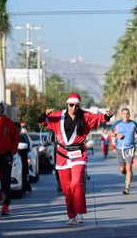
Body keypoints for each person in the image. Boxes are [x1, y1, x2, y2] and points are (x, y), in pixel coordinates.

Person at [38, 93, 114, 225]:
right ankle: (71, 216)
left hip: (78, 154)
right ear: (67, 105)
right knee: (67, 189)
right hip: (62, 155)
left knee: (76, 183)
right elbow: (42, 121)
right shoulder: (58, 115)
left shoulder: (86, 116)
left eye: (76, 105)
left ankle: (80, 213)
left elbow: (101, 118)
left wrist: (108, 115)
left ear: (79, 106)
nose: (73, 107)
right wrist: (44, 114)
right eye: (71, 105)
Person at [111, 108, 137, 195]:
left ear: (129, 115)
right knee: (122, 169)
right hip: (120, 148)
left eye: (127, 113)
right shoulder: (117, 123)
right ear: (121, 115)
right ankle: (127, 174)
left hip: (130, 148)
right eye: (124, 113)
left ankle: (127, 187)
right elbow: (110, 133)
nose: (126, 115)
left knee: (128, 168)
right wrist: (116, 135)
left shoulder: (133, 123)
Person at [14, 121, 32, 193]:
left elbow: (27, 147)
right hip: (14, 159)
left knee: (24, 173)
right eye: (14, 128)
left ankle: (25, 186)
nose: (16, 130)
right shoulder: (9, 138)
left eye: (17, 128)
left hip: (23, 158)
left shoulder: (21, 137)